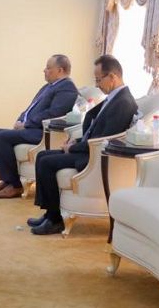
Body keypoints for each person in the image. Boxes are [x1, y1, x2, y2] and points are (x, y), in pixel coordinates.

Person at [28, 55, 138, 235]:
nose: (97, 85)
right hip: (88, 149)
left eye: (98, 79)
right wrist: (76, 141)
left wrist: (72, 148)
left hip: (94, 157)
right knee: (42, 156)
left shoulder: (123, 102)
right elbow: (96, 131)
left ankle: (55, 220)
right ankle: (50, 214)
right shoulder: (114, 98)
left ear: (112, 77)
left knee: (46, 162)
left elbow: (103, 139)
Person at [0, 55, 78, 199]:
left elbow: (54, 113)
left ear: (60, 70)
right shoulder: (48, 86)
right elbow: (31, 108)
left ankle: (15, 185)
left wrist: (26, 124)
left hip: (42, 132)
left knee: (2, 137)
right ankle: (7, 180)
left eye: (48, 68)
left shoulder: (67, 88)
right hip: (31, 128)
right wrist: (20, 120)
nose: (44, 70)